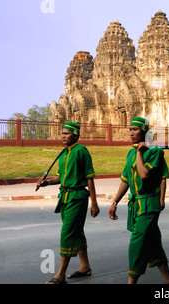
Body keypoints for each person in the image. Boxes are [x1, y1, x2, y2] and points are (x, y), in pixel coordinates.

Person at [108, 117, 169, 284]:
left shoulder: (154, 151)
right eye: (130, 129)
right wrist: (115, 202)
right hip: (136, 204)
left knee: (137, 243)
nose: (131, 133)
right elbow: (125, 180)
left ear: (145, 132)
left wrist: (139, 153)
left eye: (135, 130)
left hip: (149, 204)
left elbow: (144, 175)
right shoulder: (131, 153)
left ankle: (131, 282)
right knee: (152, 244)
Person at [37, 121, 99, 284]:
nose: (63, 136)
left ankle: (60, 274)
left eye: (66, 133)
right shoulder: (63, 154)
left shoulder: (81, 151)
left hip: (77, 198)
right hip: (64, 197)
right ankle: (85, 266)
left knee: (67, 233)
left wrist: (94, 202)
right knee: (76, 232)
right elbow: (60, 178)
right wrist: (47, 183)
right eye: (62, 133)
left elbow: (89, 178)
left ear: (76, 135)